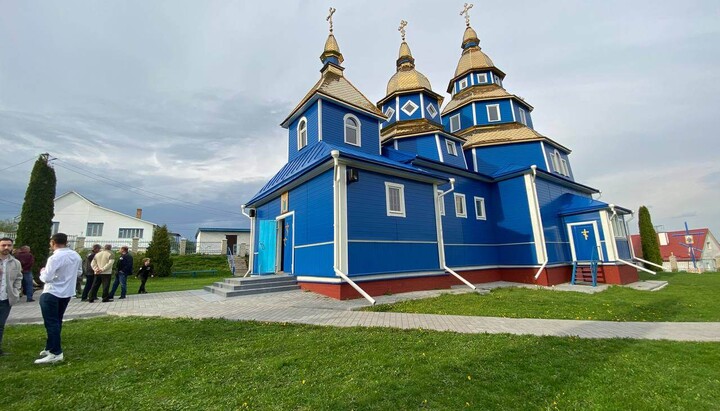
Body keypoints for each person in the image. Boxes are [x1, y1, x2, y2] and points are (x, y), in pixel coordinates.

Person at [35, 233, 82, 364]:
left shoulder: (54, 257)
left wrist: (42, 272)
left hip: (52, 292)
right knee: (57, 321)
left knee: (51, 322)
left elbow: (46, 278)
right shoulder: (75, 255)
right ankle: (50, 347)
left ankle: (56, 352)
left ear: (53, 242)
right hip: (66, 293)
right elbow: (79, 272)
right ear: (66, 242)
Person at [0, 237, 22, 356]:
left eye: (9, 245)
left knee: (0, 325)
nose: (6, 248)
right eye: (3, 245)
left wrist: (16, 291)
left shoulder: (15, 263)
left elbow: (19, 277)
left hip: (5, 299)